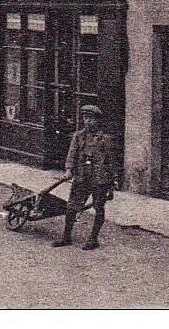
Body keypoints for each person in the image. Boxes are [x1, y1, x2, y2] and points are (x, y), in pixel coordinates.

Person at [56, 103, 118, 250]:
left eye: (91, 118)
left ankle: (93, 239)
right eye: (85, 118)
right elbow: (71, 155)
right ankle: (66, 237)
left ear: (98, 121)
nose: (87, 121)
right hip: (82, 177)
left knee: (98, 208)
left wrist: (114, 180)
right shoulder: (78, 136)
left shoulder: (105, 139)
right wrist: (69, 170)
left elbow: (112, 160)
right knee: (72, 207)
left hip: (100, 179)